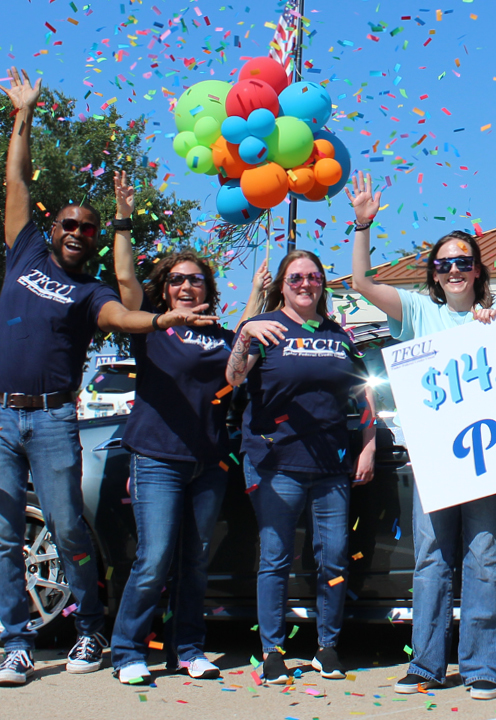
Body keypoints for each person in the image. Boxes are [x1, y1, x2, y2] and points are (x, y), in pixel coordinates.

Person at [0, 67, 217, 687]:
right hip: (1, 412)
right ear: (54, 228)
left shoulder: (91, 290)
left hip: (49, 418)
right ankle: (16, 641)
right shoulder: (25, 251)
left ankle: (90, 627)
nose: (75, 232)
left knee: (69, 525)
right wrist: (24, 113)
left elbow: (122, 313)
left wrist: (160, 317)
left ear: (97, 240)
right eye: (68, 223)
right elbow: (15, 179)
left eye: (87, 228)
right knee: (5, 531)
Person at [346, 173, 496, 701]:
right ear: (435, 276)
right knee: (431, 560)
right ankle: (425, 664)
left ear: (477, 270)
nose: (454, 270)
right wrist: (363, 226)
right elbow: (362, 285)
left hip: (491, 459)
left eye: (463, 261)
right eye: (444, 264)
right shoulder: (420, 312)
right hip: (436, 461)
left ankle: (484, 666)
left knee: (487, 559)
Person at [106, 172, 271, 684]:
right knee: (154, 559)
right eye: (177, 279)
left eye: (194, 279)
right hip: (156, 457)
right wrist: (123, 219)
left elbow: (237, 362)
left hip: (209, 461)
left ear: (206, 288)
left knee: (195, 562)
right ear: (165, 289)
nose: (185, 285)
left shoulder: (220, 335)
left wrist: (257, 297)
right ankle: (128, 651)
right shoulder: (151, 328)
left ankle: (188, 649)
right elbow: (126, 281)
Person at [225, 248, 375, 684]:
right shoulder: (268, 329)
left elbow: (364, 394)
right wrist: (246, 331)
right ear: (282, 286)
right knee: (275, 559)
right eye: (295, 278)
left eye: (313, 277)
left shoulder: (338, 335)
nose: (306, 284)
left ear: (322, 283)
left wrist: (366, 447)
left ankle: (327, 647)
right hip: (275, 463)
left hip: (331, 464)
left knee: (333, 559)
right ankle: (273, 651)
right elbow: (234, 378)